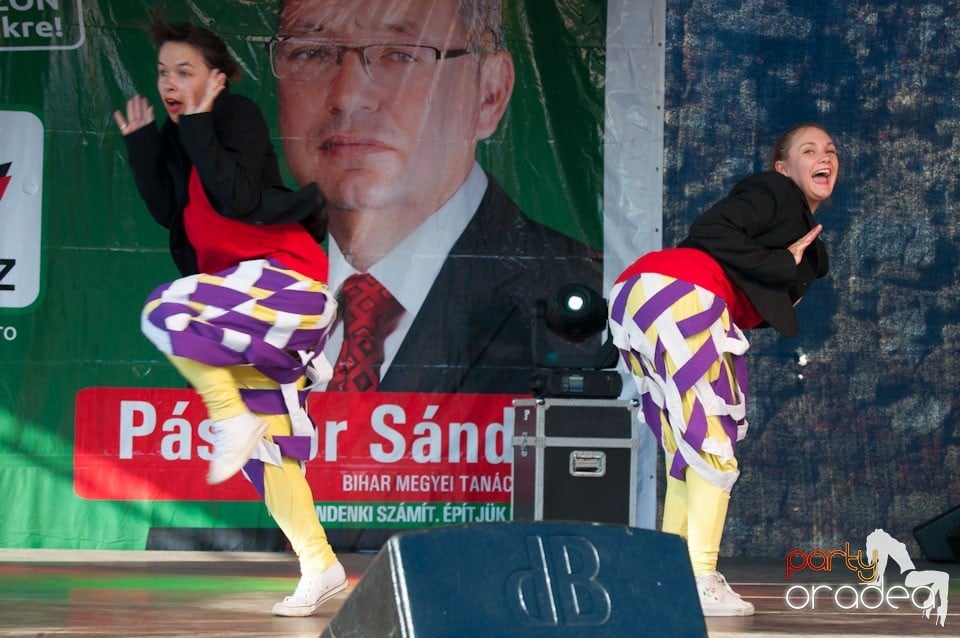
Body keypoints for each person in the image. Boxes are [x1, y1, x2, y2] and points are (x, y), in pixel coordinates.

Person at [113, 19, 345, 617]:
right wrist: (145, 143)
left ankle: (227, 415)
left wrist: (196, 120)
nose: (169, 82)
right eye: (163, 72)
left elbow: (237, 198)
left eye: (184, 71)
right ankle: (320, 564)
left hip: (286, 284)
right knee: (272, 453)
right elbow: (171, 211)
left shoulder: (234, 116)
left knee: (168, 308)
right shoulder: (180, 135)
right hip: (242, 304)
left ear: (216, 79)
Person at [271, 0, 604, 393]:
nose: (347, 95)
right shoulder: (228, 289)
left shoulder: (590, 296)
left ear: (490, 92)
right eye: (311, 52)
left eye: (401, 55)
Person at [608, 123, 837, 617]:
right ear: (783, 167)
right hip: (679, 292)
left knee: (687, 452)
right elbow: (710, 231)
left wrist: (793, 262)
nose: (825, 157)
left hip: (639, 297)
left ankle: (666, 575)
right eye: (809, 149)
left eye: (831, 151)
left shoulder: (808, 241)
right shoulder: (773, 190)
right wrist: (781, 262)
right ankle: (702, 577)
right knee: (713, 444)